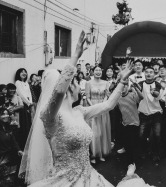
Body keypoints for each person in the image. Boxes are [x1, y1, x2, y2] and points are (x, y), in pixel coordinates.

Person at [18, 31, 135, 186]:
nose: (78, 87)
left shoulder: (79, 111)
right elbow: (59, 91)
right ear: (67, 88)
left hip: (89, 177)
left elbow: (108, 105)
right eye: (74, 82)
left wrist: (122, 82)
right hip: (65, 181)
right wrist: (75, 56)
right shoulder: (50, 115)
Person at [85, 65, 112, 163]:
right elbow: (87, 97)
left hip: (103, 109)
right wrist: (94, 108)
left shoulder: (106, 83)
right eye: (96, 70)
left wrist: (103, 106)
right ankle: (93, 154)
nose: (98, 72)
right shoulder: (88, 83)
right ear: (92, 71)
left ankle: (101, 153)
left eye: (100, 70)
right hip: (92, 108)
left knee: (102, 132)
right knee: (94, 132)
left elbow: (107, 96)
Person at [138, 66, 164, 166]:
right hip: (143, 114)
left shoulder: (157, 84)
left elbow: (157, 95)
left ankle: (156, 154)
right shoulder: (140, 84)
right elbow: (138, 94)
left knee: (157, 135)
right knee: (141, 136)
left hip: (156, 114)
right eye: (147, 72)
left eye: (151, 72)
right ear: (144, 74)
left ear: (154, 74)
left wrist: (155, 92)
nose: (149, 74)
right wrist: (135, 88)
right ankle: (144, 151)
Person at [117, 79, 143, 165]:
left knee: (131, 143)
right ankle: (126, 148)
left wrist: (136, 88)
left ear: (128, 87)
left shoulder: (132, 94)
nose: (123, 87)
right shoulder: (118, 97)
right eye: (122, 86)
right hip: (124, 123)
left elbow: (141, 97)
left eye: (125, 86)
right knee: (125, 139)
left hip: (134, 123)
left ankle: (132, 163)